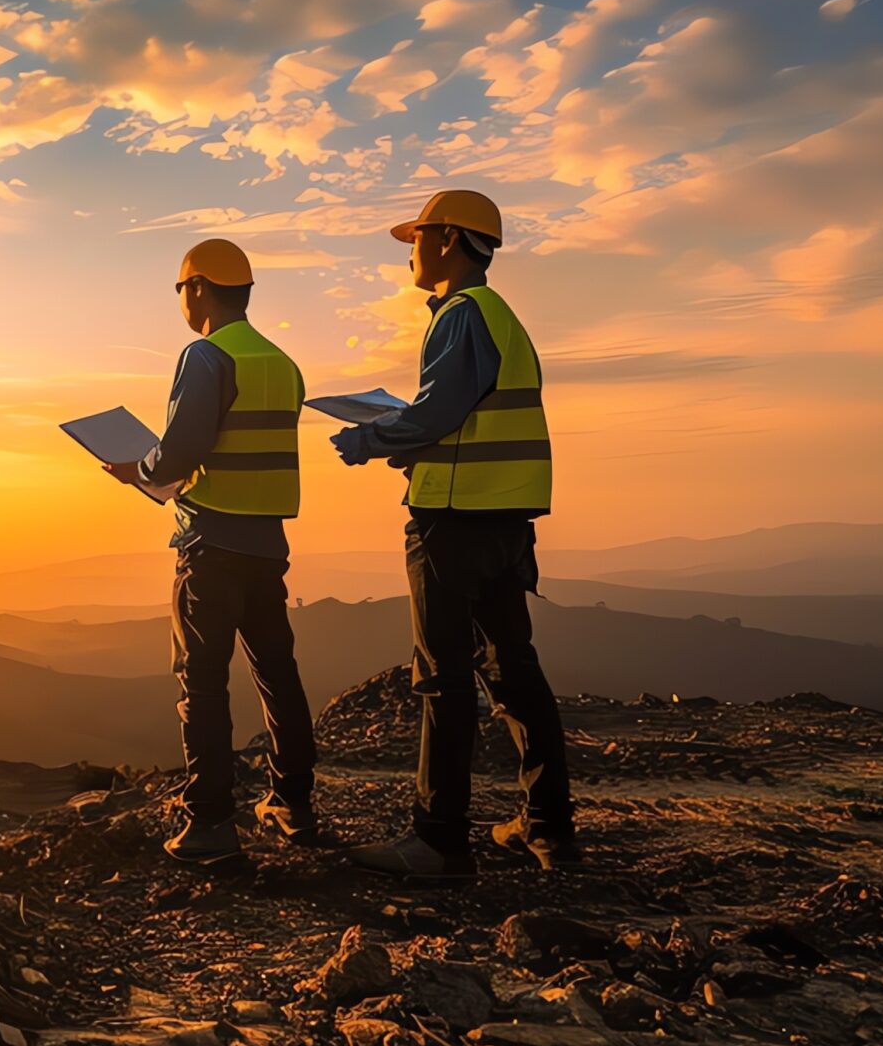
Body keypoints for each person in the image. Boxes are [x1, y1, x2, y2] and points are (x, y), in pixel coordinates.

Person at [329, 190, 576, 879]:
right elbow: (469, 418)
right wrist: (417, 440)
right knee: (513, 670)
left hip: (452, 523)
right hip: (504, 521)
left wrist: (371, 436)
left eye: (417, 237)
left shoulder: (461, 317)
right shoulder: (500, 318)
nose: (410, 251)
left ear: (447, 241)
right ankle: (549, 828)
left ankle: (439, 840)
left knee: (444, 676)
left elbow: (437, 411)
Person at [103, 238, 325, 867]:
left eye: (180, 290)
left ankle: (210, 823)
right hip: (267, 544)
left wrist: (137, 468)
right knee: (277, 672)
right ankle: (293, 804)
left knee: (201, 681)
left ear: (197, 288)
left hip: (210, 542)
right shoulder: (281, 362)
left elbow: (179, 453)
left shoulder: (205, 355)